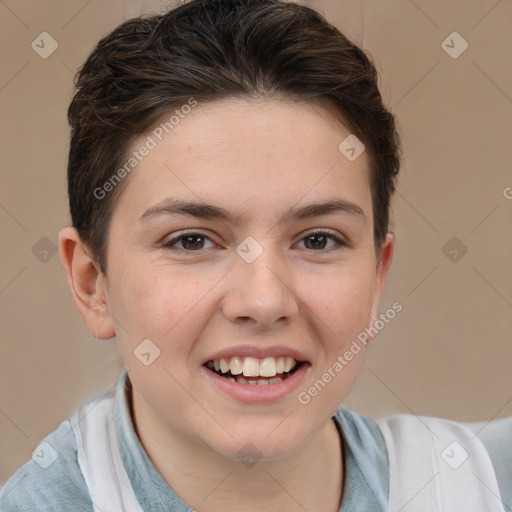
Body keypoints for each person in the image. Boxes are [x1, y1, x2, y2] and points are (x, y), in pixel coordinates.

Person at [1, 0, 510, 510]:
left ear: (377, 276)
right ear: (94, 284)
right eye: (192, 241)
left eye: (318, 240)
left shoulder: (480, 488)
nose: (264, 301)